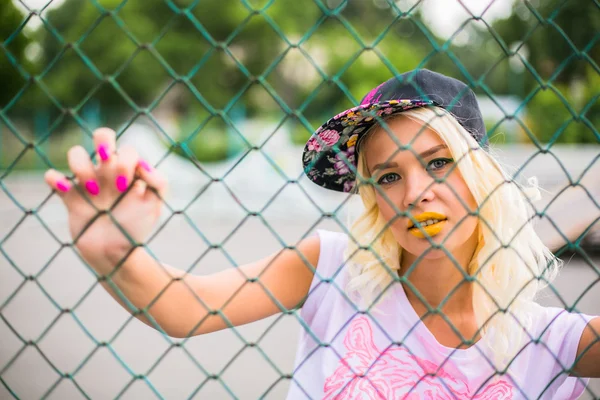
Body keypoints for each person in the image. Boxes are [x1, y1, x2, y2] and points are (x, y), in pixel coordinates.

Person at [44, 69, 599, 399]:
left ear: (480, 173)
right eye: (387, 175)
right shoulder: (333, 270)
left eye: (437, 163)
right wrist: (116, 253)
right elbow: (184, 308)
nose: (414, 193)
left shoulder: (548, 340)